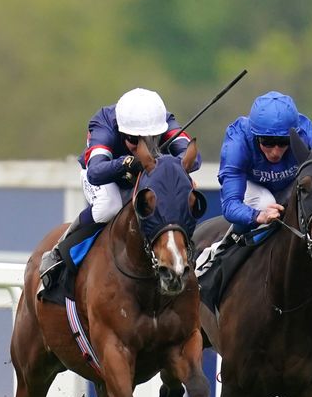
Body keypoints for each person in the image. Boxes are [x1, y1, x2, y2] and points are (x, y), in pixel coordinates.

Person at [39, 87, 201, 291]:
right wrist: (127, 162)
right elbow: (95, 172)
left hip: (148, 176)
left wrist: (173, 170)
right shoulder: (104, 125)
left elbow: (195, 160)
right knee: (109, 205)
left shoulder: (164, 121)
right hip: (107, 178)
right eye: (134, 139)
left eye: (152, 139)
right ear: (122, 131)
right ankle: (59, 251)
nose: (143, 145)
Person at [196, 90, 312, 301]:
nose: (276, 151)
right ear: (255, 135)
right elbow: (230, 205)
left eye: (283, 142)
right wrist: (256, 216)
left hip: (290, 187)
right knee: (266, 202)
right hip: (252, 188)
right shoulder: (238, 141)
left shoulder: (305, 133)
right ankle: (216, 257)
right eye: (267, 142)